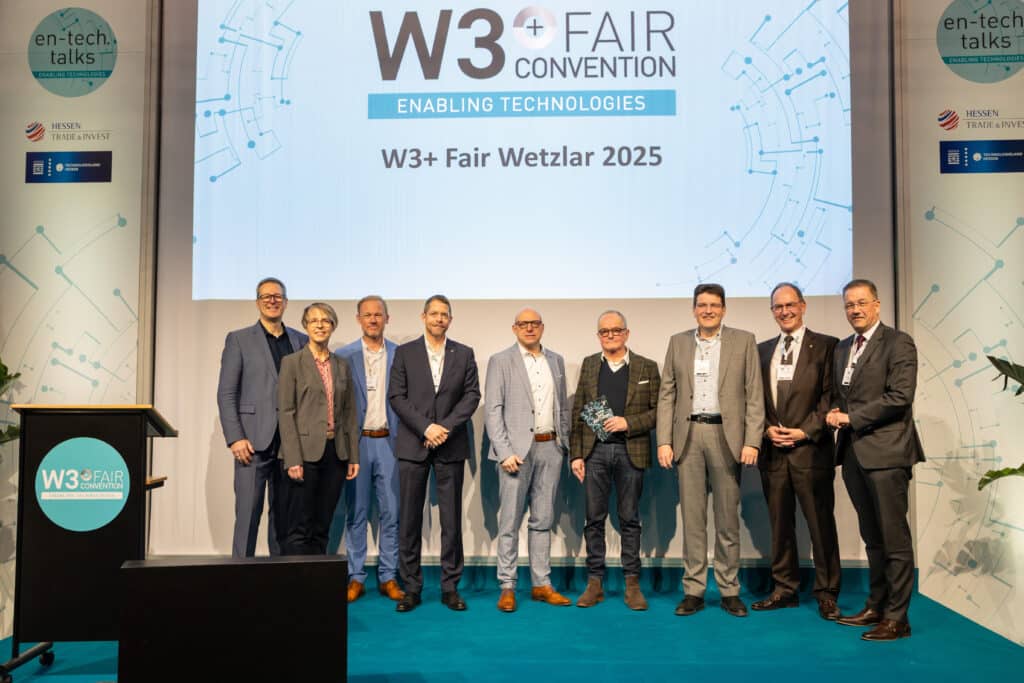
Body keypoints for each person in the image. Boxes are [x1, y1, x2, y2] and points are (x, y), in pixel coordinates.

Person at [657, 283, 764, 618]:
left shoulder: (743, 341)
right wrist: (664, 440)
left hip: (726, 436)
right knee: (693, 521)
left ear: (724, 309)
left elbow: (754, 394)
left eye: (714, 305)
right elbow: (667, 394)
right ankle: (694, 590)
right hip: (688, 436)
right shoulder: (678, 342)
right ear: (694, 310)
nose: (708, 310)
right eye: (702, 305)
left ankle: (729, 590)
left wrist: (752, 440)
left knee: (727, 520)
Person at [826, 278, 925, 641]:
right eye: (849, 304)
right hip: (853, 454)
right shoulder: (843, 348)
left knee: (894, 538)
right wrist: (834, 411)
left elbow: (900, 396)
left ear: (877, 305)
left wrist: (851, 418)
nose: (855, 310)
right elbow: (841, 394)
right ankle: (877, 606)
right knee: (872, 537)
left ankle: (898, 618)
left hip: (887, 453)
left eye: (862, 303)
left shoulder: (898, 342)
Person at [753, 283, 841, 620]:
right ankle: (784, 590)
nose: (785, 311)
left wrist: (805, 431)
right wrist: (765, 428)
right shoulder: (762, 351)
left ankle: (827, 593)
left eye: (790, 305)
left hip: (812, 451)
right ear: (772, 311)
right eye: (778, 306)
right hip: (773, 453)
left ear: (803, 306)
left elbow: (831, 397)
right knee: (780, 526)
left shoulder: (828, 346)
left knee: (821, 525)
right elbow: (754, 400)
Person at [388, 295, 481, 613]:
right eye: (434, 314)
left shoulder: (464, 353)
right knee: (409, 520)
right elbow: (396, 397)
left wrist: (445, 428)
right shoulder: (405, 353)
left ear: (450, 320)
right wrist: (426, 428)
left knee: (451, 521)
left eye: (445, 314)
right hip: (413, 445)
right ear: (423, 316)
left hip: (450, 445)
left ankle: (450, 587)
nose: (439, 319)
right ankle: (411, 588)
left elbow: (471, 396)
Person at [569, 310, 660, 611]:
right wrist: (576, 454)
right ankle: (594, 583)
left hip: (630, 451)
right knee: (593, 520)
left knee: (629, 520)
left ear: (626, 333)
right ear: (598, 336)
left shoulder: (647, 366)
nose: (610, 336)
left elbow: (659, 411)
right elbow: (579, 411)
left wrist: (628, 423)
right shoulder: (589, 365)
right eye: (604, 331)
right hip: (594, 452)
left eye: (616, 330)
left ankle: (632, 584)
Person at [484, 308, 572, 613]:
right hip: (515, 454)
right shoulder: (500, 360)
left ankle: (541, 584)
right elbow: (493, 410)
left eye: (534, 323)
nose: (529, 328)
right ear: (515, 328)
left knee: (543, 521)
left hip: (551, 448)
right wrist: (504, 452)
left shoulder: (556, 360)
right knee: (509, 522)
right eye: (523, 324)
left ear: (542, 327)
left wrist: (564, 445)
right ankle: (507, 586)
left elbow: (562, 408)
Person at [216, 277, 307, 557]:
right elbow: (226, 393)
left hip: (289, 446)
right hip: (252, 444)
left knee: (283, 522)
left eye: (277, 296)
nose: (272, 300)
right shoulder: (239, 339)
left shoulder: (301, 340)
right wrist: (235, 438)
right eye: (266, 296)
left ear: (286, 302)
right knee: (247, 518)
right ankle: (239, 578)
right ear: (258, 302)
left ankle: (277, 579)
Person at [336, 295, 404, 603]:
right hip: (358, 443)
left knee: (392, 513)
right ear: (358, 319)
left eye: (378, 314)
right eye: (367, 315)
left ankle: (388, 576)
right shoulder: (343, 356)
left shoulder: (400, 355)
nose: (373, 319)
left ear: (387, 319)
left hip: (390, 442)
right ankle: (356, 576)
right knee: (357, 512)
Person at [277, 303, 359, 555]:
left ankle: (316, 576)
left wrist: (353, 456)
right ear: (306, 326)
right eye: (314, 320)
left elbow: (349, 412)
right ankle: (296, 577)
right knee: (299, 526)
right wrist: (292, 459)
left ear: (333, 326)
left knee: (323, 524)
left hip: (336, 454)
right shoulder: (292, 362)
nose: (320, 325)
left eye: (326, 320)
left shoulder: (341, 364)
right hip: (303, 455)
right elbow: (286, 412)